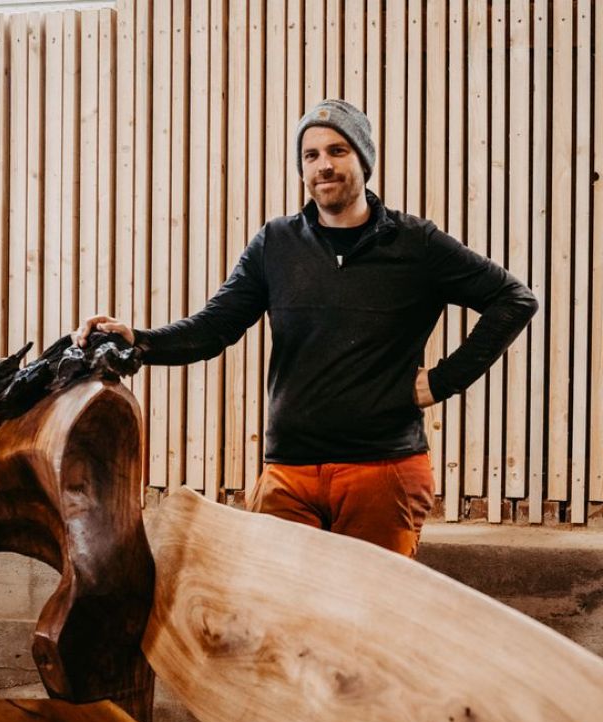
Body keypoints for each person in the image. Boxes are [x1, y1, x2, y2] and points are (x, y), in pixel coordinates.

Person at [75, 99, 538, 558]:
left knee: (363, 604)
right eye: (311, 155)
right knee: (272, 601)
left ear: (363, 160)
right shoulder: (275, 243)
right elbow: (215, 327)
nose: (324, 165)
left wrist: (441, 382)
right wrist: (141, 340)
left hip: (382, 470)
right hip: (289, 474)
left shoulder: (415, 243)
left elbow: (514, 299)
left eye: (338, 151)